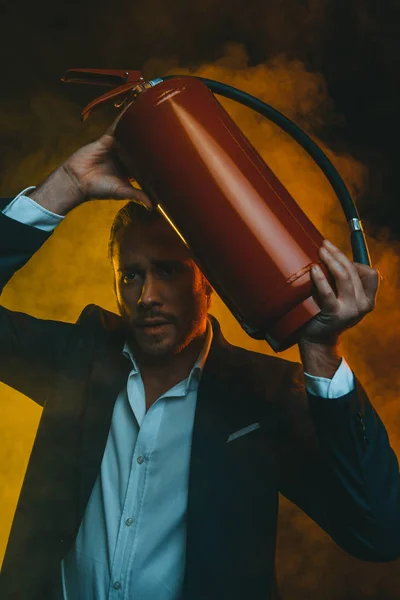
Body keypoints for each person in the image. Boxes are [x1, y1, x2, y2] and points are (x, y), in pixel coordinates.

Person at [0, 134, 399, 600]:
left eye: (168, 271)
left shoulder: (263, 395)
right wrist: (63, 187)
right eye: (130, 275)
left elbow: (378, 533)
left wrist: (322, 351)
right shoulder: (82, 355)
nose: (146, 296)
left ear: (208, 281)